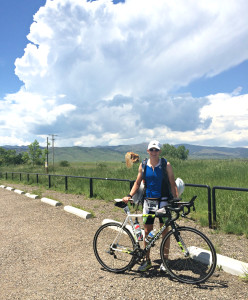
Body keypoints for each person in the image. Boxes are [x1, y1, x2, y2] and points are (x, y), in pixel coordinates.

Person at [123, 140, 178, 272]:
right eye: (152, 150)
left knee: (165, 231)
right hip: (148, 202)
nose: (154, 152)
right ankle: (147, 261)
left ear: (159, 151)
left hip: (163, 201)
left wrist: (176, 199)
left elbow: (172, 183)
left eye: (156, 150)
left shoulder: (166, 164)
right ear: (148, 151)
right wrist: (129, 195)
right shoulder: (143, 165)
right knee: (147, 231)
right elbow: (137, 183)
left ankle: (165, 260)